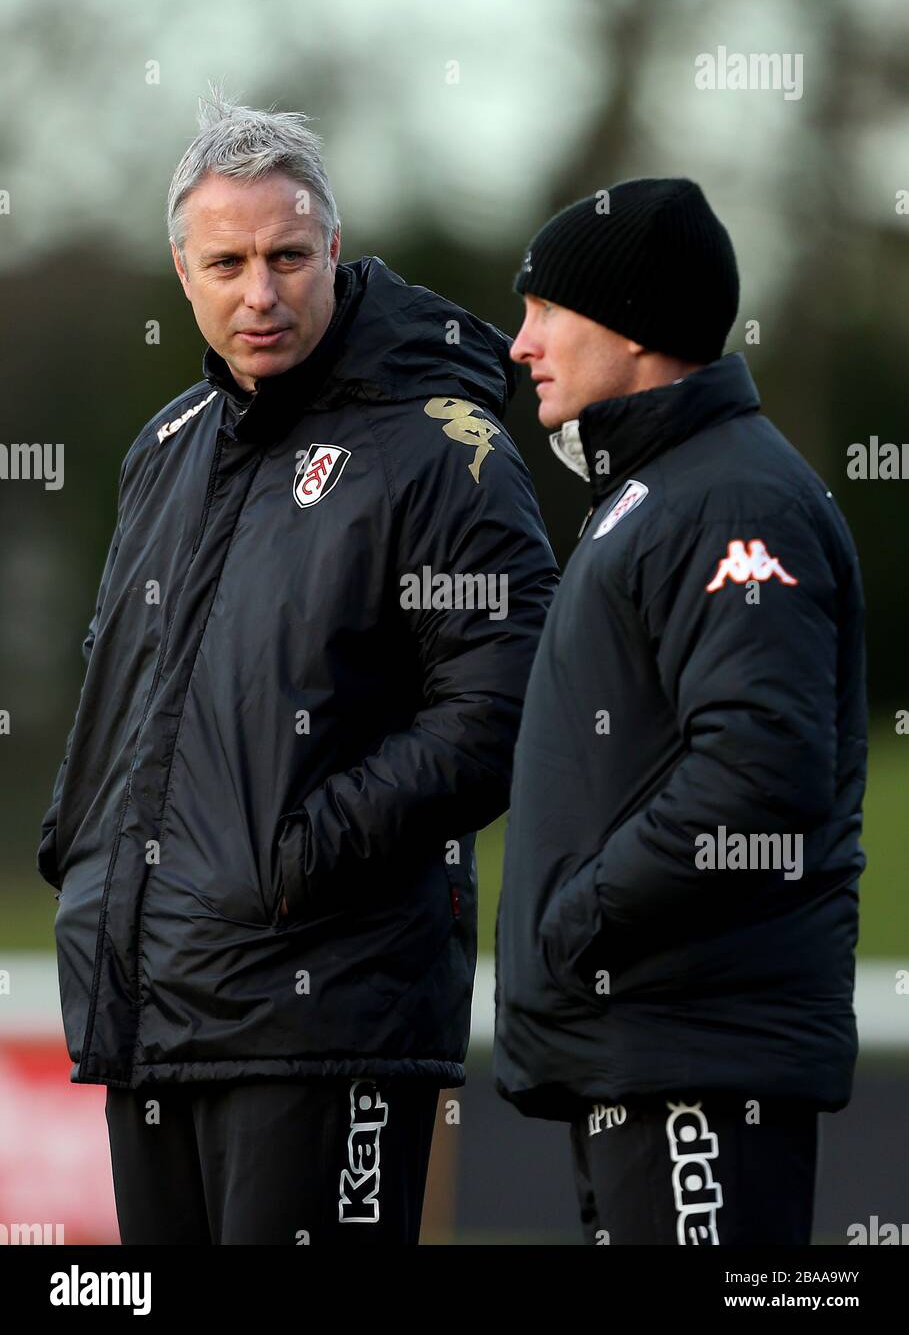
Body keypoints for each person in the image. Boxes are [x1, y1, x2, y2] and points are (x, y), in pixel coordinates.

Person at [36, 86, 558, 1245]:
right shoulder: (164, 450)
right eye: (226, 263)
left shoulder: (439, 448)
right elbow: (125, 692)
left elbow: (507, 699)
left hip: (329, 1010)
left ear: (336, 248)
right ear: (183, 274)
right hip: (149, 1005)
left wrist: (300, 856)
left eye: (286, 255)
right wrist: (83, 856)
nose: (258, 293)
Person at [493, 178, 867, 1246]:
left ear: (634, 326)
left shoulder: (733, 499)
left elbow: (757, 776)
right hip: (644, 1051)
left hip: (700, 1057)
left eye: (545, 310)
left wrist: (580, 917)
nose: (521, 345)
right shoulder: (664, 493)